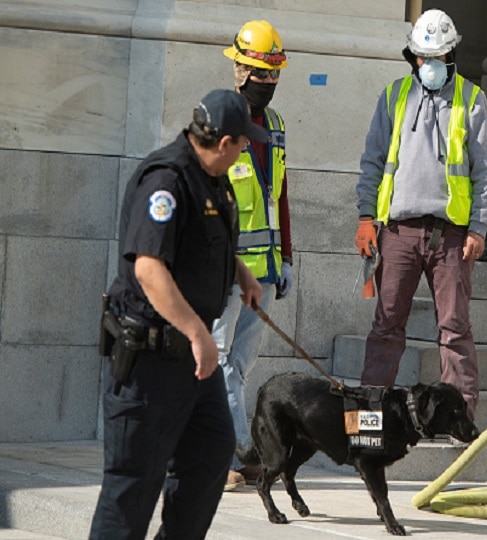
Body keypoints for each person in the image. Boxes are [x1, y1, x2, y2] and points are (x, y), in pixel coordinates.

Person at [90, 88, 266, 539]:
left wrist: (240, 273)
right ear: (224, 143)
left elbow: (202, 241)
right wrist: (197, 333)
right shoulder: (166, 181)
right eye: (244, 143)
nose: (247, 150)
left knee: (210, 454)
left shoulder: (211, 179)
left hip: (190, 364)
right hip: (151, 360)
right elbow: (149, 268)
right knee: (133, 486)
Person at [355, 9, 487, 422]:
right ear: (412, 57)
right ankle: (370, 416)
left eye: (435, 57)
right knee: (385, 326)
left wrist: (479, 228)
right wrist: (366, 217)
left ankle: (460, 416)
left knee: (454, 330)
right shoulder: (394, 96)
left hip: (451, 236)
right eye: (421, 57)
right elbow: (373, 160)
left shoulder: (472, 101)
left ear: (451, 56)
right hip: (397, 231)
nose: (428, 65)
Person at [210, 20, 293, 491]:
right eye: (262, 75)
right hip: (226, 273)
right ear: (239, 70)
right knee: (218, 363)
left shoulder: (275, 127)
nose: (269, 85)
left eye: (274, 76)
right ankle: (235, 455)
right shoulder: (220, 123)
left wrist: (288, 260)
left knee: (238, 367)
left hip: (266, 273)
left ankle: (231, 452)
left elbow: (280, 196)